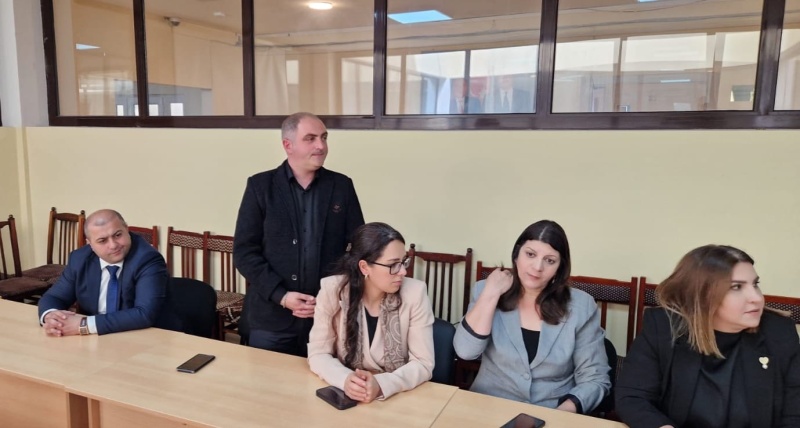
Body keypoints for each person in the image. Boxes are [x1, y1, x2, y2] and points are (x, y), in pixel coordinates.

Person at [616, 245, 800, 428]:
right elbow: (633, 397)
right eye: (736, 287)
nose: (757, 298)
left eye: (755, 284)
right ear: (701, 295)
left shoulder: (779, 332)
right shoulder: (664, 327)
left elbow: (795, 413)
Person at [234, 112, 364, 356]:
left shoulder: (341, 186)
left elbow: (359, 248)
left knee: (321, 378)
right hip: (271, 318)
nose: (321, 146)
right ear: (288, 145)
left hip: (326, 315)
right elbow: (244, 252)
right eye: (310, 138)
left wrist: (332, 295)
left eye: (324, 137)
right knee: (268, 379)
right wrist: (281, 296)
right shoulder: (261, 187)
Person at [453, 220, 610, 413]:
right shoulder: (486, 290)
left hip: (552, 412)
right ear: (516, 254)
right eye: (530, 254)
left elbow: (595, 379)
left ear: (560, 267)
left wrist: (561, 415)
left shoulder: (581, 306)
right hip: (488, 408)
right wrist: (491, 294)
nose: (537, 267)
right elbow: (465, 351)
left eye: (550, 260)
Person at [308, 222, 434, 402]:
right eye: (393, 265)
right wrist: (345, 379)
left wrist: (382, 384)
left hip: (398, 398)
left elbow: (423, 363)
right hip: (348, 396)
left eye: (404, 262)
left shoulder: (415, 293)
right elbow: (318, 353)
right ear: (364, 267)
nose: (403, 271)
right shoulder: (333, 290)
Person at [38, 209, 168, 336]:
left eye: (118, 235)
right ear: (90, 244)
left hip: (137, 336)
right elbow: (54, 297)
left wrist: (84, 325)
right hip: (93, 339)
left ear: (126, 229)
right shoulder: (79, 259)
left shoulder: (148, 259)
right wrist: (51, 317)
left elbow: (144, 314)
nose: (113, 245)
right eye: (102, 241)